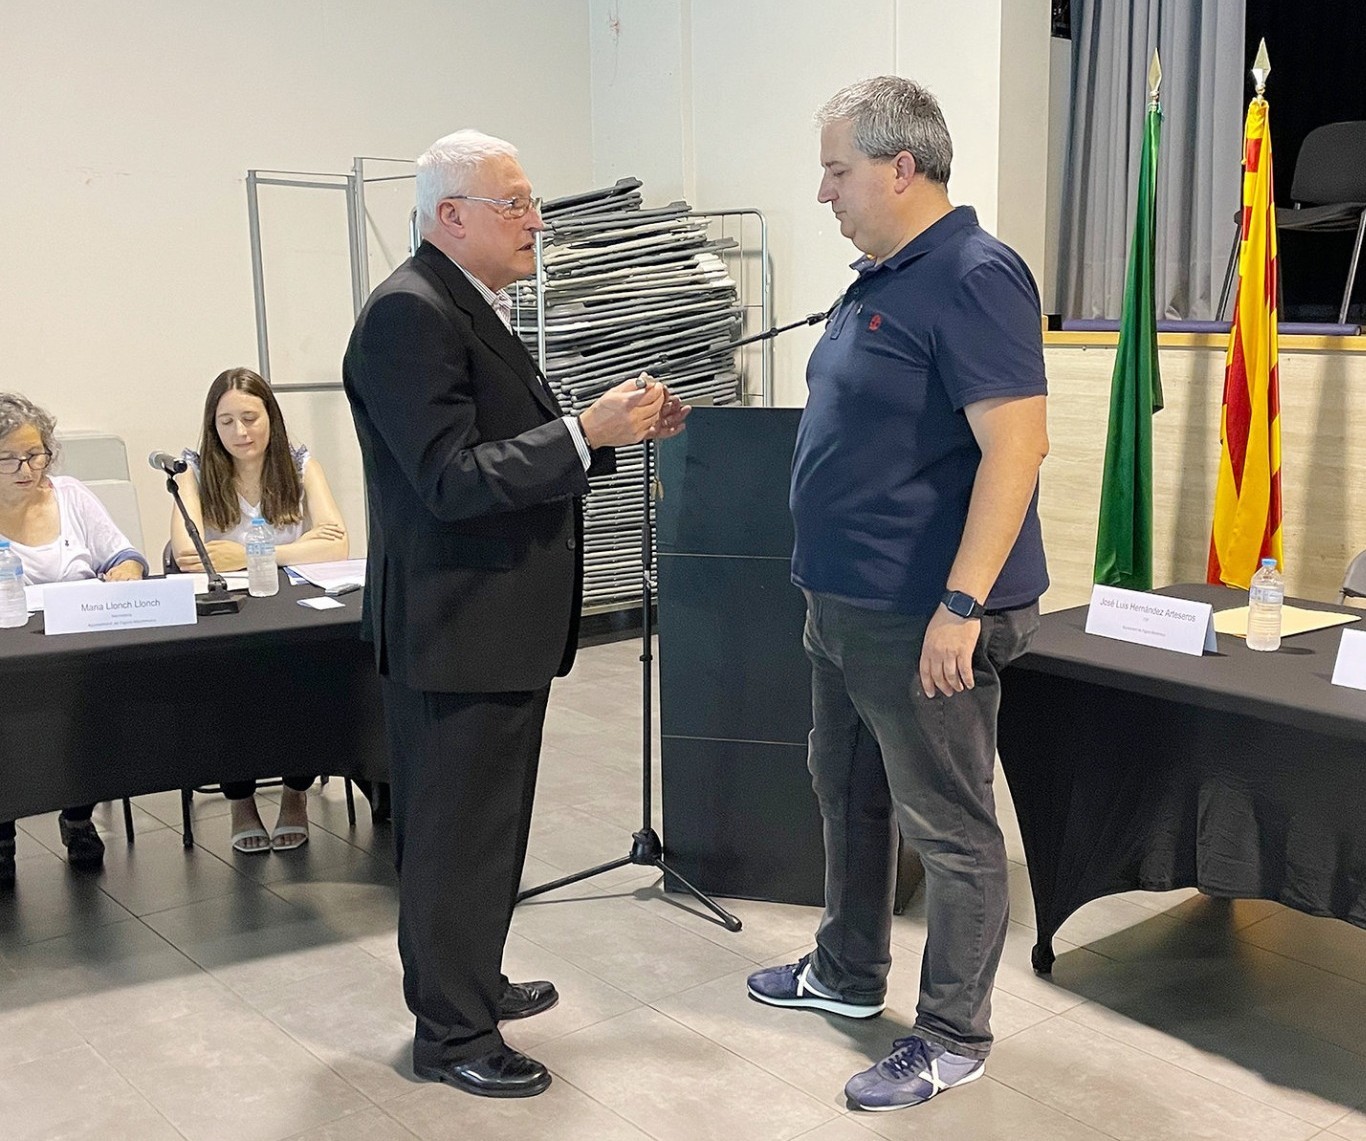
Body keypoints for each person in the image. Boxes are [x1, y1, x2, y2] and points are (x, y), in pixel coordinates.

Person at [342, 129, 687, 1099]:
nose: (538, 220)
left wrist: (605, 434)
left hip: (492, 629)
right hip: (456, 630)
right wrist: (583, 432)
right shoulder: (409, 313)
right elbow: (449, 478)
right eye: (517, 204)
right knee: (456, 837)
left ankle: (470, 978)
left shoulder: (464, 303)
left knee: (485, 831)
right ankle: (452, 1032)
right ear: (451, 215)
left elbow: (503, 443)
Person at [745, 77, 1050, 1113]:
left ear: (900, 167)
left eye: (837, 170)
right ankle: (845, 967)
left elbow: (1016, 448)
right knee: (847, 791)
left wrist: (960, 607)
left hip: (925, 615)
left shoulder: (973, 274)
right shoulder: (880, 276)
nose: (823, 190)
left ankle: (953, 1034)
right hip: (844, 605)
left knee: (951, 830)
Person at [171, 367, 349, 854]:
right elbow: (187, 554)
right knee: (227, 689)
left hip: (290, 608)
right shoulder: (192, 472)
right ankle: (241, 801)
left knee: (309, 681)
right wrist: (298, 548)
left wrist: (252, 553)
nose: (240, 432)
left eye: (250, 418)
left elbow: (336, 542)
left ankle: (295, 795)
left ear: (271, 416)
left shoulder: (299, 464)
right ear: (212, 427)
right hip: (228, 615)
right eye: (226, 422)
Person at [0, 392, 150, 882]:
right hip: (9, 657)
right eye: (9, 458)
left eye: (35, 454)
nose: (26, 468)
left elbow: (123, 554)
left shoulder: (70, 495)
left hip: (76, 650)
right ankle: (2, 833)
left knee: (92, 706)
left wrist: (127, 571)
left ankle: (78, 816)